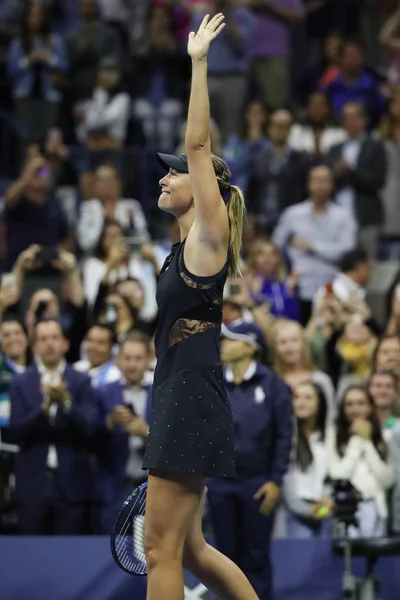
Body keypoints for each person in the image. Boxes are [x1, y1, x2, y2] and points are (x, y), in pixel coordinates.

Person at [141, 13, 258, 600]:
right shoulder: (177, 252)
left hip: (190, 395)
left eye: (176, 172)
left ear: (205, 183)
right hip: (182, 393)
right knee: (190, 550)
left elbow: (198, 142)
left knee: (160, 550)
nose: (165, 176)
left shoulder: (209, 236)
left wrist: (199, 62)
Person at [208, 321, 292, 600]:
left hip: (258, 483)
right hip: (221, 483)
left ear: (250, 347)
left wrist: (276, 480)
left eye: (231, 340)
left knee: (256, 557)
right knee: (223, 559)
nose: (223, 344)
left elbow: (283, 436)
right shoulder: (215, 381)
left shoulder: (273, 386)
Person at [10, 318, 98, 534]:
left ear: (66, 344)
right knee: (29, 557)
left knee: (69, 557)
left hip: (71, 486)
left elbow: (91, 428)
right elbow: (15, 431)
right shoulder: (21, 382)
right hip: (31, 486)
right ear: (35, 346)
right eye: (43, 339)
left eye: (54, 338)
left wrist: (66, 402)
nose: (49, 343)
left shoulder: (81, 381)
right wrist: (45, 406)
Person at [326, 385, 395, 537]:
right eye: (349, 404)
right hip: (347, 511)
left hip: (377, 508)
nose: (354, 409)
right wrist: (356, 441)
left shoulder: (385, 435)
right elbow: (338, 475)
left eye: (360, 403)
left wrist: (368, 442)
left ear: (371, 407)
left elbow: (388, 480)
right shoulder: (333, 435)